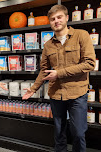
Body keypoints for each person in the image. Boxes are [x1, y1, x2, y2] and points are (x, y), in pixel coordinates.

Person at [22, 5, 95, 152]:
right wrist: (33, 88)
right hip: (56, 94)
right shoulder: (48, 45)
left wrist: (59, 73)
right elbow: (44, 70)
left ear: (67, 18)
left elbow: (90, 63)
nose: (56, 21)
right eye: (53, 19)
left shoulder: (82, 35)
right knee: (59, 131)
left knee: (78, 133)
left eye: (59, 17)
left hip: (77, 94)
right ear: (50, 22)